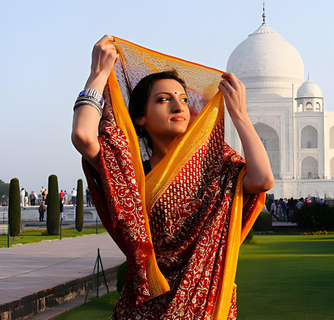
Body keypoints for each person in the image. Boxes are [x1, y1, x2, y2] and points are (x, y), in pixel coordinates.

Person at [71, 35, 273, 319]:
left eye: (183, 99)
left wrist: (239, 115)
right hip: (143, 308)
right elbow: (83, 135)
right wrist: (98, 74)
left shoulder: (215, 169)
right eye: (164, 100)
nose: (179, 107)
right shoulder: (131, 173)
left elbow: (263, 179)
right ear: (140, 117)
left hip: (204, 305)